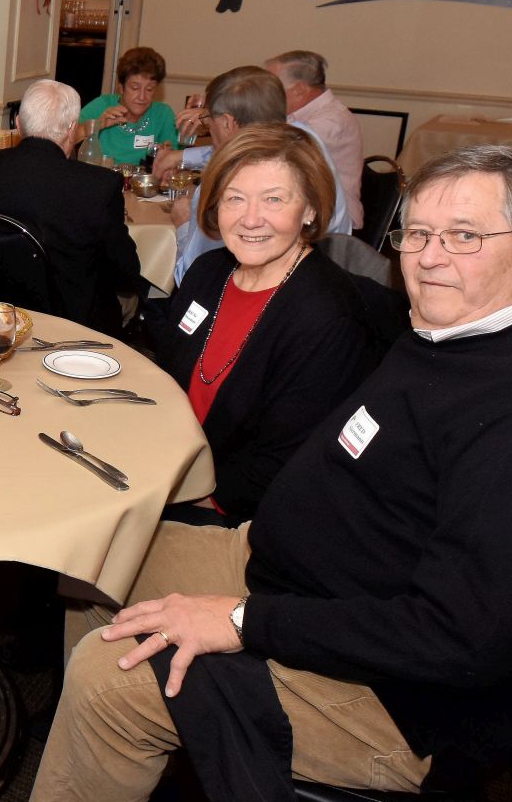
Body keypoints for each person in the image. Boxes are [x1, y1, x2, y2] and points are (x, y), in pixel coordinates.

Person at [0, 144, 512, 802]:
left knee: (119, 678)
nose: (430, 259)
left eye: (465, 237)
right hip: (302, 584)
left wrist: (244, 622)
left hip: (400, 702)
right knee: (106, 564)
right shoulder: (455, 335)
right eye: (417, 234)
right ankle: (142, 792)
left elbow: (458, 640)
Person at [155, 124, 373, 525]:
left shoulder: (327, 318)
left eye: (273, 199)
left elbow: (281, 467)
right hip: (172, 474)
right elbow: (168, 380)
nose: (250, 219)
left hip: (240, 517)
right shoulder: (207, 275)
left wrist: (167, 503)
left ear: (309, 209)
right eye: (234, 198)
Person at [0, 79, 138, 335]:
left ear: (18, 124)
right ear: (71, 130)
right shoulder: (98, 185)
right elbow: (126, 274)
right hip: (71, 328)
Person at [166, 66, 352, 284]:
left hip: (257, 293)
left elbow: (191, 276)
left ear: (227, 123)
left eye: (208, 119)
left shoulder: (226, 182)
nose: (208, 127)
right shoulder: (307, 142)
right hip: (333, 272)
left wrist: (183, 223)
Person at [265, 50, 364, 230]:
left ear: (300, 90)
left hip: (332, 225)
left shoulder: (332, 120)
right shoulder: (298, 114)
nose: (266, 95)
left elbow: (273, 151)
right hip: (307, 211)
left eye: (272, 88)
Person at [76, 47, 178, 166]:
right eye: (135, 88)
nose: (142, 97)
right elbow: (65, 139)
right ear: (121, 87)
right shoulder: (102, 105)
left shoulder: (163, 114)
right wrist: (96, 125)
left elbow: (173, 157)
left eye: (149, 89)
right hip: (102, 179)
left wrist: (166, 153)